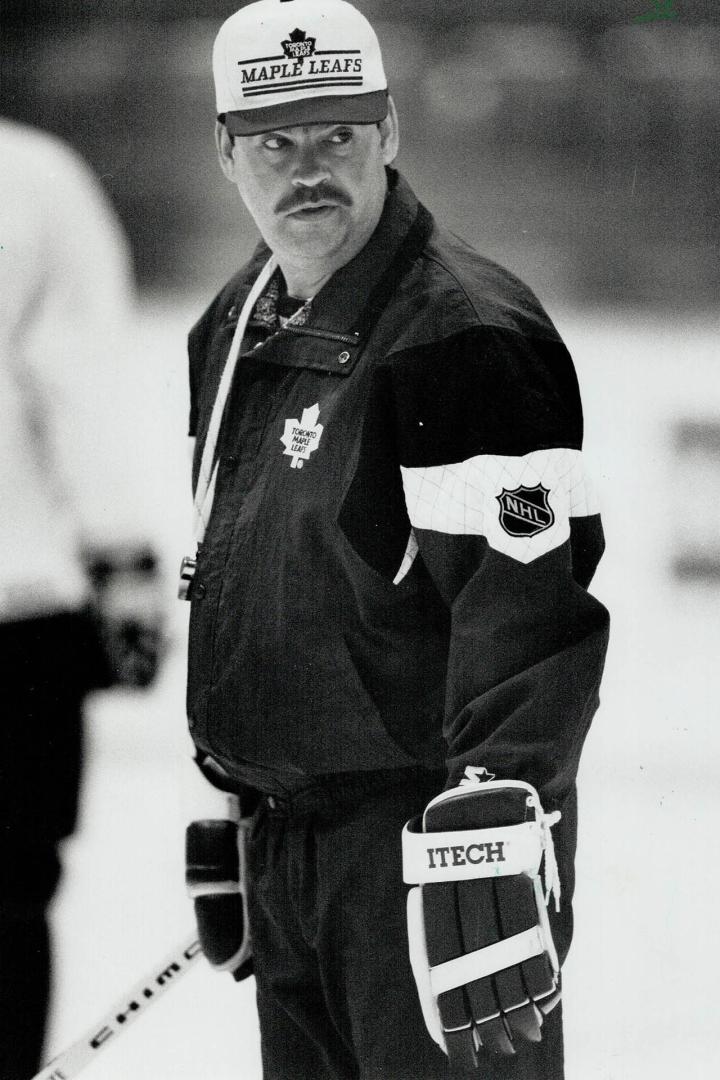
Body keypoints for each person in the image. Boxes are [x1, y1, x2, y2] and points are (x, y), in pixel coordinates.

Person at [182, 2, 610, 1077]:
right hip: (289, 852)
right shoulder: (238, 325)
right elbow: (248, 570)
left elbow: (530, 613)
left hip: (428, 859)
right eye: (276, 142)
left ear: (389, 131)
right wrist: (230, 806)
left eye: (338, 134)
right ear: (227, 151)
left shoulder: (464, 340)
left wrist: (497, 840)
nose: (308, 169)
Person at [0, 119, 165, 1080]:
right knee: (10, 898)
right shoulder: (33, 176)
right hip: (19, 608)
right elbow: (78, 387)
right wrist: (123, 567)